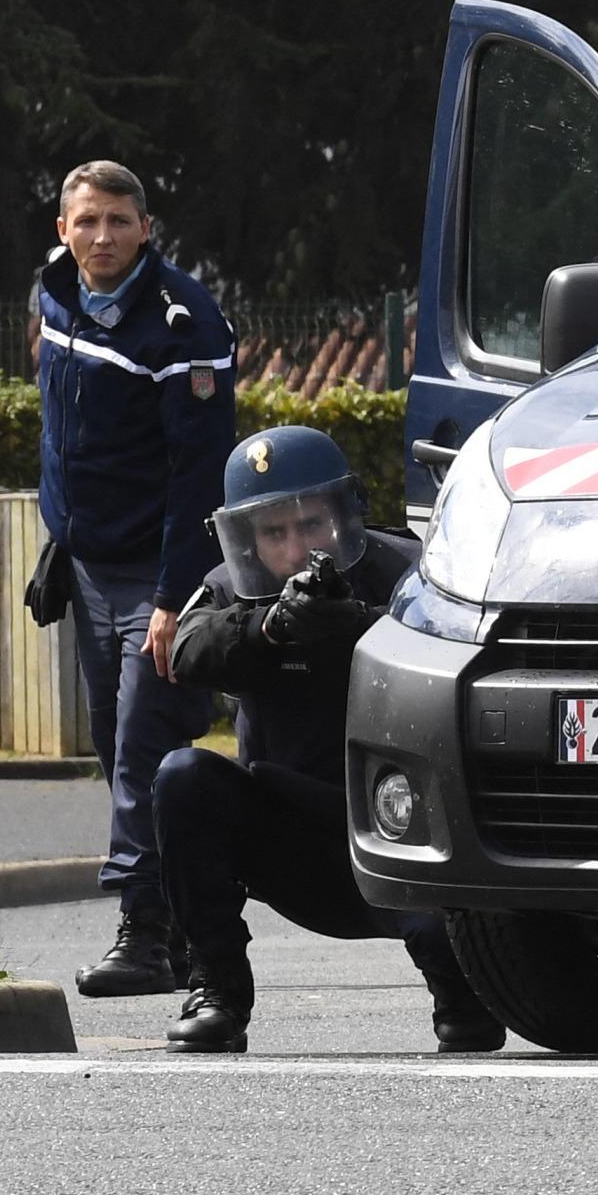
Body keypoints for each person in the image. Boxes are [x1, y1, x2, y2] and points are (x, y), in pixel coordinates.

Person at [154, 425, 504, 1054]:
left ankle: (461, 986)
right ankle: (216, 989)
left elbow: (471, 651)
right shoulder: (233, 587)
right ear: (249, 540)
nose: (296, 548)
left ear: (343, 514)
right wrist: (270, 629)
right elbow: (188, 650)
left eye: (311, 524)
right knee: (183, 777)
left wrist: (367, 629)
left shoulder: (409, 572)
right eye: (274, 532)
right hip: (293, 837)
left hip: (402, 839)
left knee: (466, 1015)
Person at [35, 160, 237, 998]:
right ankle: (189, 926)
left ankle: (144, 935)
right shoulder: (52, 294)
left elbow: (199, 474)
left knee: (141, 749)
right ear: (63, 231)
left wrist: (171, 597)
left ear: (146, 228)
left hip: (154, 576)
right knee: (114, 746)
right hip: (85, 565)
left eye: (119, 220)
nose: (103, 237)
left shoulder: (183, 323)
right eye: (87, 222)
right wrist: (60, 538)